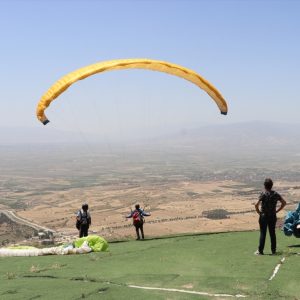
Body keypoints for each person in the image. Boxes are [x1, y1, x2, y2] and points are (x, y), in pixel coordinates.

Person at [254, 178, 286, 255]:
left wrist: (259, 212)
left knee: (263, 233)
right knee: (272, 233)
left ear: (265, 186)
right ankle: (273, 251)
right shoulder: (275, 194)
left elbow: (256, 204)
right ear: (271, 185)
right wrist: (277, 211)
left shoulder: (263, 194)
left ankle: (260, 251)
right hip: (272, 216)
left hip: (264, 216)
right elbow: (284, 203)